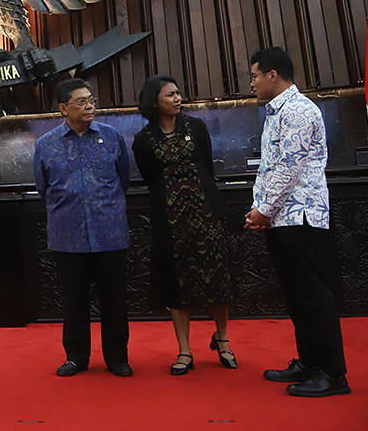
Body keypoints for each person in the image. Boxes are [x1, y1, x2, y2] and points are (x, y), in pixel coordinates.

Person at [245, 47, 350, 397]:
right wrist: (261, 207)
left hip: (300, 216)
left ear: (273, 75)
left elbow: (289, 167)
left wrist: (264, 209)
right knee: (296, 295)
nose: (252, 83)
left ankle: (334, 375)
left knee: (314, 296)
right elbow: (269, 166)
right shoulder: (276, 112)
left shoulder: (298, 110)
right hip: (281, 217)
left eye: (255, 76)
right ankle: (309, 362)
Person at [132, 76, 235, 376]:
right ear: (154, 102)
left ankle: (223, 339)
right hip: (170, 219)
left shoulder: (196, 127)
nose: (178, 98)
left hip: (206, 214)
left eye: (179, 93)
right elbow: (151, 179)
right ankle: (184, 350)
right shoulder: (143, 139)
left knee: (217, 278)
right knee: (178, 283)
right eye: (170, 95)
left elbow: (208, 167)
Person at [33, 78, 133, 378]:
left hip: (110, 231)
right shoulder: (46, 144)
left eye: (91, 100)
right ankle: (76, 357)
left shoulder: (112, 137)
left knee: (114, 299)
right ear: (63, 107)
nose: (89, 106)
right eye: (81, 101)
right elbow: (43, 187)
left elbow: (123, 179)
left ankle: (117, 358)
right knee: (74, 300)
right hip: (68, 234)